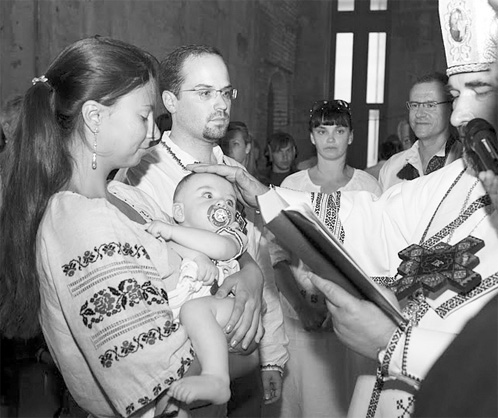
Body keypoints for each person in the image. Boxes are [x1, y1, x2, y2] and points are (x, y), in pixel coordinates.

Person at [188, 1, 498, 416]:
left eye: (478, 91)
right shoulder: (462, 177)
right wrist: (264, 194)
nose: (460, 114)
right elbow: (377, 217)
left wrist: (394, 343)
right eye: (456, 94)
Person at [0, 36, 220, 418]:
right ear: (95, 117)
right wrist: (236, 342)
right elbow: (166, 384)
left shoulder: (124, 195)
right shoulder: (81, 221)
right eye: (143, 116)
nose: (154, 134)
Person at [116, 44, 289, 416]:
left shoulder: (236, 174)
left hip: (241, 354)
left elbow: (261, 264)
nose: (222, 104)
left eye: (226, 93)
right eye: (205, 92)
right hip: (175, 367)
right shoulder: (143, 173)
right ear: (170, 101)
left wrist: (272, 355)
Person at [265, 99, 381, 418]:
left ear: (351, 136)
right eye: (323, 130)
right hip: (300, 318)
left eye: (339, 130)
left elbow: (375, 255)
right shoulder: (293, 186)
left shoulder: (368, 188)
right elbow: (276, 254)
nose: (331, 138)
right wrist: (302, 306)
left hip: (352, 318)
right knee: (297, 404)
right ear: (312, 137)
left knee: (343, 403)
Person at [146, 172, 263, 409]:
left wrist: (170, 231)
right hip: (193, 330)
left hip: (225, 308)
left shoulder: (231, 235)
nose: (221, 204)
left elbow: (220, 249)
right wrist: (195, 255)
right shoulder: (174, 240)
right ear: (179, 213)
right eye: (208, 195)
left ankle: (217, 379)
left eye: (230, 202)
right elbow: (170, 246)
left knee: (194, 310)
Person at [379, 72, 461, 191]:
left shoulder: (467, 164)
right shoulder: (392, 168)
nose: (419, 114)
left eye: (430, 105)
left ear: (451, 108)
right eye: (415, 105)